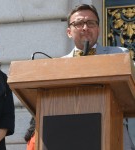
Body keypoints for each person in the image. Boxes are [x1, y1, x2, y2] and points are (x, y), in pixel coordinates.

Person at [63, 4, 135, 150]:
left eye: (90, 23)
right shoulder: (58, 65)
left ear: (98, 29)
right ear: (69, 32)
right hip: (71, 136)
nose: (85, 28)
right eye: (78, 23)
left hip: (115, 134)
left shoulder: (120, 54)